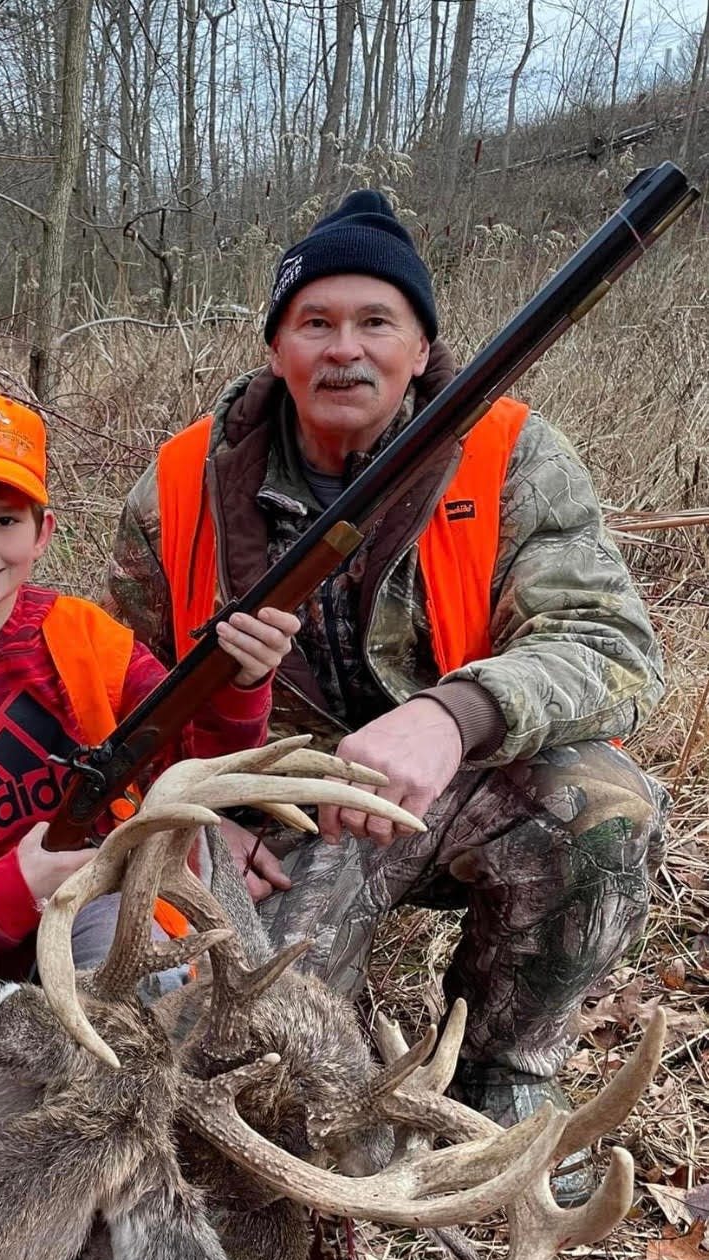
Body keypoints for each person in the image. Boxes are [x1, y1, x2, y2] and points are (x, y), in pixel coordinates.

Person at [105, 191, 667, 1199]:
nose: (344, 350)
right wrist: (188, 818)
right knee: (247, 1061)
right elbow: (123, 685)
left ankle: (507, 1078)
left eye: (376, 323)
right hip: (293, 805)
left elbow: (615, 648)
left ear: (420, 349)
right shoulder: (181, 485)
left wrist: (453, 715)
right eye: (314, 323)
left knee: (608, 812)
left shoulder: (509, 453)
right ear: (277, 348)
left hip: (479, 775)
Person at [0, 388, 299, 1142]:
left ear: (43, 533)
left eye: (5, 521)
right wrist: (15, 887)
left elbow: (196, 757)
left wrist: (241, 681)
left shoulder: (87, 639)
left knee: (162, 1041)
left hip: (95, 905)